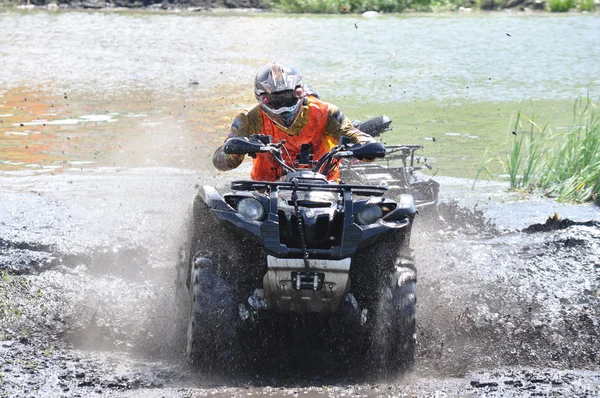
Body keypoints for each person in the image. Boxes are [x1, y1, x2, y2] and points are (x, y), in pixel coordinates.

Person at [212, 62, 375, 181]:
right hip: (267, 190)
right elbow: (220, 162)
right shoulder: (248, 119)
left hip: (326, 187)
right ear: (262, 99)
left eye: (288, 98)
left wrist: (366, 144)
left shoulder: (326, 112)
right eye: (276, 100)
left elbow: (353, 135)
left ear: (299, 93)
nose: (283, 106)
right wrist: (235, 149)